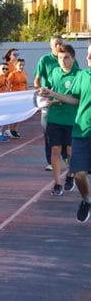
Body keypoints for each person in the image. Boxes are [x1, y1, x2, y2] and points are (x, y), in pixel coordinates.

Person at [38, 41, 91, 223]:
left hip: (72, 125)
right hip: (82, 131)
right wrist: (52, 94)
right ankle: (86, 200)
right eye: (88, 54)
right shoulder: (84, 76)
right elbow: (73, 98)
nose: (89, 58)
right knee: (79, 174)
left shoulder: (78, 73)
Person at [34, 36, 77, 171]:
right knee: (48, 132)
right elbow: (37, 80)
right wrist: (42, 92)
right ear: (51, 45)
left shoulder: (69, 58)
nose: (59, 46)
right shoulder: (45, 60)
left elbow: (76, 80)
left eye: (61, 43)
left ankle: (66, 157)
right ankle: (51, 161)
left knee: (69, 138)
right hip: (49, 101)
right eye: (56, 44)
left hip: (67, 103)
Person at [43, 44, 79, 196]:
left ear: (73, 58)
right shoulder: (54, 72)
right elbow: (51, 90)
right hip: (55, 118)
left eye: (66, 58)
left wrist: (54, 98)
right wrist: (44, 96)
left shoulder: (79, 75)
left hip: (72, 120)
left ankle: (70, 175)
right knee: (55, 150)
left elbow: (74, 98)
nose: (63, 61)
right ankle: (57, 183)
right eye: (59, 58)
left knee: (71, 151)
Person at [6, 58, 28, 138]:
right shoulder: (12, 74)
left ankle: (14, 129)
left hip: (22, 97)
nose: (22, 67)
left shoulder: (24, 74)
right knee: (12, 113)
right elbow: (8, 85)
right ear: (16, 65)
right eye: (20, 65)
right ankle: (8, 129)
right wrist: (7, 96)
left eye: (23, 65)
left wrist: (27, 95)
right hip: (14, 96)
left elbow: (26, 85)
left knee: (19, 114)